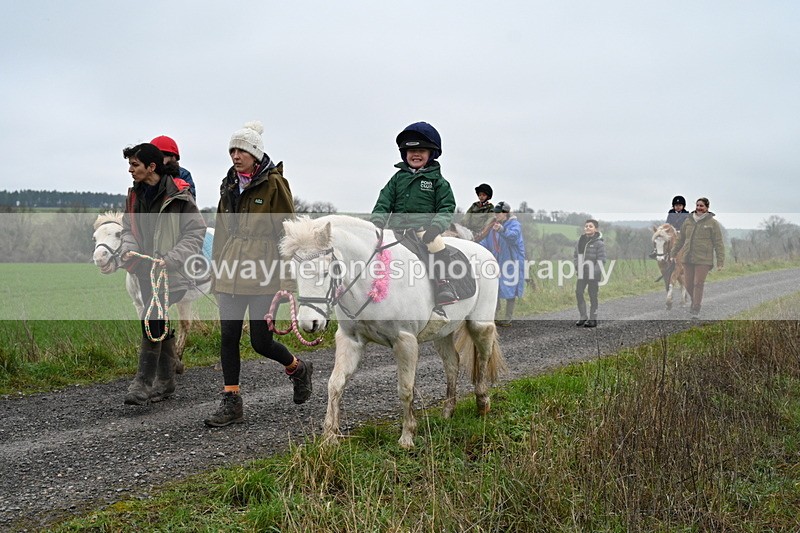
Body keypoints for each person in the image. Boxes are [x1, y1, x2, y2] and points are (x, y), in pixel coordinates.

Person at [204, 121, 313, 428]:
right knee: (228, 336)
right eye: (232, 150)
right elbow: (222, 231)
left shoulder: (275, 184)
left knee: (261, 342)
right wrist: (216, 270)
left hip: (265, 273)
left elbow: (288, 232)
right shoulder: (228, 185)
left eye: (241, 150)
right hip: (230, 271)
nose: (235, 156)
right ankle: (231, 400)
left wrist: (289, 282)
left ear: (255, 153)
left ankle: (298, 368)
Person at [118, 143, 206, 405]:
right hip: (144, 271)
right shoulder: (134, 196)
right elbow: (128, 230)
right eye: (130, 164)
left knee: (151, 315)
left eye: (135, 164)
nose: (130, 170)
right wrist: (129, 250)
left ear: (151, 167)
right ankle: (166, 382)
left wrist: (171, 259)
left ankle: (143, 381)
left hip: (172, 271)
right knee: (158, 319)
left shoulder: (179, 195)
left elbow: (195, 232)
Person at [370, 121, 458, 306]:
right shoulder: (396, 179)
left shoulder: (438, 182)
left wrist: (436, 227)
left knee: (436, 244)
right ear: (405, 154)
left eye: (421, 151)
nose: (416, 155)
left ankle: (444, 284)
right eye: (411, 151)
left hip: (423, 230)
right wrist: (377, 221)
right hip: (396, 229)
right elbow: (384, 201)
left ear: (431, 154)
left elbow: (447, 206)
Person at [671, 197, 724, 317]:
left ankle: (696, 307)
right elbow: (680, 239)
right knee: (688, 284)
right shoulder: (688, 221)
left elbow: (718, 243)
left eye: (702, 206)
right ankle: (695, 301)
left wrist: (720, 261)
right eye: (697, 205)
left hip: (703, 259)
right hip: (688, 257)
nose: (699, 208)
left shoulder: (712, 223)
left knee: (698, 283)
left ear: (707, 208)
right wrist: (673, 253)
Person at [478, 201, 526, 327]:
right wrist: (476, 245)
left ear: (505, 213)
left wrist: (502, 230)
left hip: (512, 262)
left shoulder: (515, 225)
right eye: (495, 212)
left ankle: (508, 317)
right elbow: (487, 242)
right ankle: (495, 316)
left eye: (499, 213)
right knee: (496, 288)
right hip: (498, 262)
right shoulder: (494, 226)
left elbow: (513, 237)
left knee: (511, 289)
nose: (496, 215)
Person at [573, 219, 606, 328]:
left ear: (595, 229)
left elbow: (601, 260)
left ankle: (593, 319)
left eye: (590, 226)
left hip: (593, 275)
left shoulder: (599, 243)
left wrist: (594, 272)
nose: (587, 228)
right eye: (586, 226)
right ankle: (583, 316)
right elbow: (576, 256)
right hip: (582, 273)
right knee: (578, 292)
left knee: (593, 296)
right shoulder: (580, 241)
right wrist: (577, 267)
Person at [150, 135, 197, 200]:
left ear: (173, 157)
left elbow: (190, 201)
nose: (158, 160)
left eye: (163, 156)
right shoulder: (146, 173)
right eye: (154, 156)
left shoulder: (183, 174)